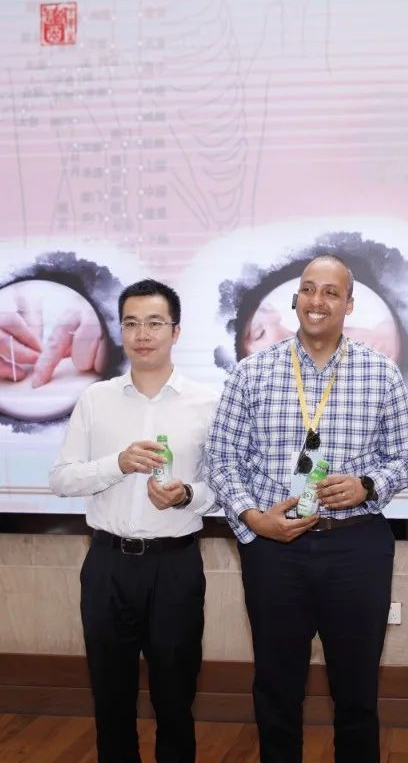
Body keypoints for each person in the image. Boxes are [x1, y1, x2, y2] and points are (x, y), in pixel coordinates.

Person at [205, 254, 408, 763]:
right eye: (308, 289)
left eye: (330, 292)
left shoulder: (380, 373)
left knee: (357, 690)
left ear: (350, 304)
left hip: (355, 547)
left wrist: (368, 485)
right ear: (295, 298)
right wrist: (253, 519)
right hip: (275, 547)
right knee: (277, 686)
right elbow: (221, 458)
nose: (317, 301)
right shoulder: (252, 372)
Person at [49, 278, 218, 763]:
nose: (143, 334)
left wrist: (186, 494)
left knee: (175, 700)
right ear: (121, 331)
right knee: (111, 701)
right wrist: (117, 464)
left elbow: (223, 490)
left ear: (176, 331)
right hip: (108, 565)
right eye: (132, 323)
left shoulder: (208, 403)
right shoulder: (95, 399)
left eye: (155, 323)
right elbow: (61, 479)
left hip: (174, 567)